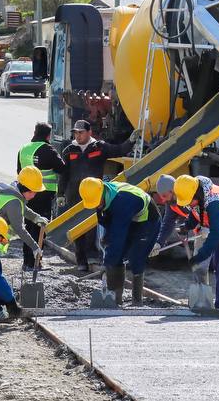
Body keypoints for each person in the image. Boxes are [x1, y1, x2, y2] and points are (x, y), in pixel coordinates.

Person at [162, 175, 219, 312]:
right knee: (218, 264)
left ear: (196, 194)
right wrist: (186, 227)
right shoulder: (196, 193)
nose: (189, 204)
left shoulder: (214, 202)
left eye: (190, 201)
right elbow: (195, 213)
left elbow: (215, 234)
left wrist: (200, 256)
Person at [58, 119, 134, 273]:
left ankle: (93, 255)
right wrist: (60, 194)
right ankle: (81, 261)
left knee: (93, 224)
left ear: (89, 132)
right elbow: (64, 175)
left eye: (81, 132)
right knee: (77, 227)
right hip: (74, 195)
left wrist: (131, 141)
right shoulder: (69, 150)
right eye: (76, 133)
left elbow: (119, 150)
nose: (78, 136)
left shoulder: (99, 147)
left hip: (95, 196)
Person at [79, 176, 159, 305]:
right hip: (128, 217)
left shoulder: (122, 201)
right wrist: (107, 238)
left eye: (98, 202)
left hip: (147, 220)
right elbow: (107, 220)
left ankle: (137, 301)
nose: (98, 205)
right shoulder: (100, 194)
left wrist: (107, 263)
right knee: (117, 256)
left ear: (102, 192)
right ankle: (116, 300)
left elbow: (118, 237)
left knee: (136, 258)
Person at [17, 122, 66, 266]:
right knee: (40, 227)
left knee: (28, 225)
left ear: (34, 132)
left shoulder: (23, 149)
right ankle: (36, 262)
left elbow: (19, 171)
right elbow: (62, 168)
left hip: (25, 194)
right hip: (43, 193)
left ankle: (27, 261)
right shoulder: (48, 149)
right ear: (48, 135)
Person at [0, 166, 47, 268]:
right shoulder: (14, 202)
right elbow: (19, 229)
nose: (33, 195)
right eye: (31, 192)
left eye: (35, 192)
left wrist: (36, 218)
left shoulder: (14, 196)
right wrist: (35, 247)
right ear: (23, 188)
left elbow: (24, 210)